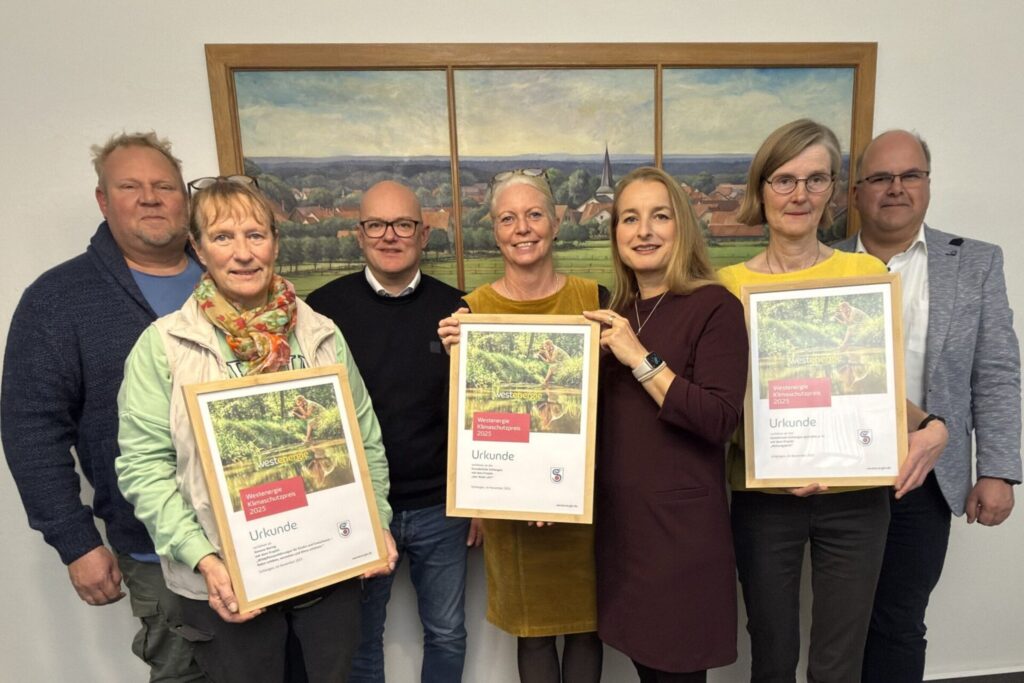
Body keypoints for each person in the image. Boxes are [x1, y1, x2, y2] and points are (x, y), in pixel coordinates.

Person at [115, 177, 397, 683]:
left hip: (326, 574)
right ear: (198, 249)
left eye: (255, 235)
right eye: (223, 237)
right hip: (225, 583)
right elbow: (143, 468)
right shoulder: (164, 347)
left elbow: (364, 439)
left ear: (275, 243)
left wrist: (376, 518)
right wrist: (202, 558)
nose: (243, 253)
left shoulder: (321, 334)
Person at [715, 119, 949, 682]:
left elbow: (877, 383)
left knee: (839, 658)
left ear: (834, 190)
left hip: (856, 500)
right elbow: (719, 397)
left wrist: (935, 425)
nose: (799, 195)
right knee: (771, 653)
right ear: (761, 188)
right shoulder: (723, 286)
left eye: (815, 180)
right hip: (765, 497)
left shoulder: (865, 274)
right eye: (784, 179)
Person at [1, 132, 205, 681]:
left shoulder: (230, 281)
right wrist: (76, 542)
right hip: (153, 549)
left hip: (258, 532)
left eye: (163, 186)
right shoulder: (59, 298)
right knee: (189, 674)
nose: (150, 198)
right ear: (102, 200)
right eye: (130, 186)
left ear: (183, 199)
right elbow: (30, 427)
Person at [836, 129, 1021, 682]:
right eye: (879, 178)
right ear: (856, 192)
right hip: (838, 472)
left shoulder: (976, 264)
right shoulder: (822, 264)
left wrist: (997, 471)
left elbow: (996, 373)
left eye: (909, 175)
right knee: (838, 623)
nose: (895, 188)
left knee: (898, 622)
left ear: (927, 184)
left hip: (925, 477)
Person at [581, 167, 748, 682]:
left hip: (680, 540)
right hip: (623, 534)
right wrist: (472, 348)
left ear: (683, 228)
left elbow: (719, 419)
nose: (644, 231)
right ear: (616, 234)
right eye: (629, 218)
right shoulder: (615, 311)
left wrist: (640, 358)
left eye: (660, 216)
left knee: (675, 672)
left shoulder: (714, 306)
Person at [306, 180, 476, 683]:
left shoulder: (460, 311)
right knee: (360, 638)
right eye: (376, 225)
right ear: (359, 235)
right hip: (355, 509)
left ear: (424, 235)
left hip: (441, 509)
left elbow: (476, 410)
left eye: (403, 225)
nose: (389, 236)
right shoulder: (320, 312)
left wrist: (480, 500)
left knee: (447, 632)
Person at [438, 169, 604, 683]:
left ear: (556, 222)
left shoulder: (595, 299)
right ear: (494, 230)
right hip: (509, 507)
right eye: (508, 218)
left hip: (584, 503)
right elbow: (471, 422)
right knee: (531, 630)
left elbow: (614, 410)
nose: (522, 228)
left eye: (534, 214)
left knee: (585, 627)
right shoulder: (472, 313)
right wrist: (481, 496)